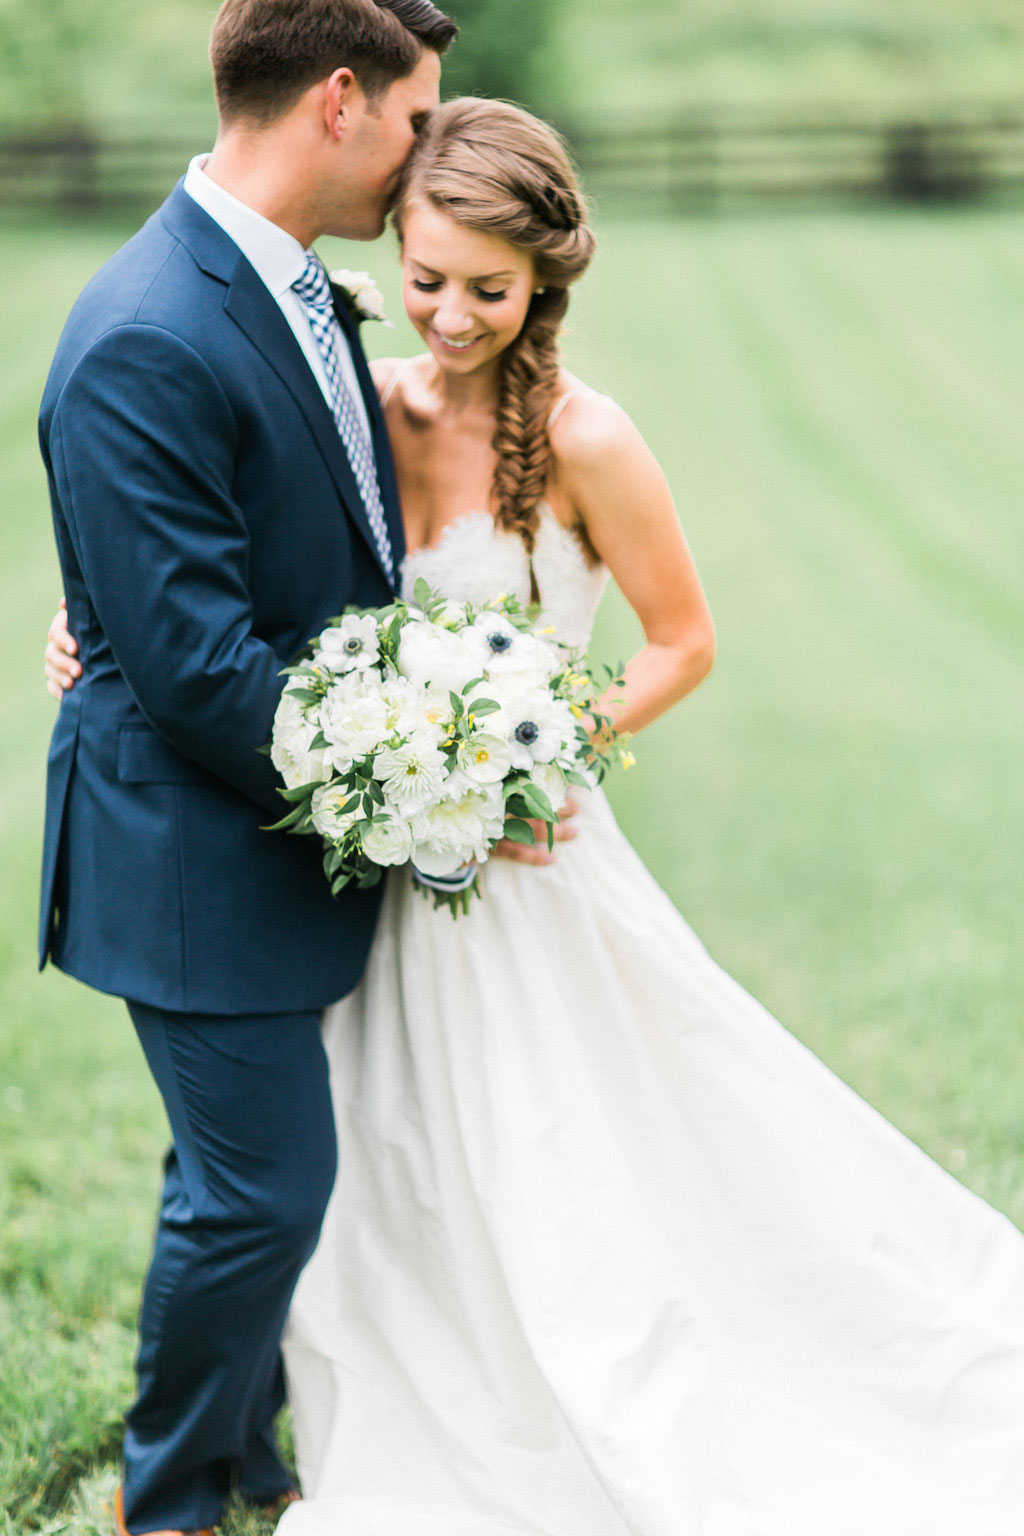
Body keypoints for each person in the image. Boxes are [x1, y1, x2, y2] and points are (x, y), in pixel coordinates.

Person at [48, 96, 1024, 1533]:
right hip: (377, 866)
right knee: (371, 1150)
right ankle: (328, 1402)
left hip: (529, 853)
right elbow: (216, 566)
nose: (446, 318)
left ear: (547, 283)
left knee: (566, 1149)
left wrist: (533, 757)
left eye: (487, 292)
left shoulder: (588, 436)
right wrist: (89, 630)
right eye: (426, 280)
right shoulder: (363, 412)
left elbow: (683, 641)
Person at [35, 3, 470, 1532]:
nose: (431, 157)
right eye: (420, 121)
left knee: (235, 1177)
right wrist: (426, 775)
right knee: (262, 1191)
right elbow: (205, 669)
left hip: (268, 833)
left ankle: (254, 1455)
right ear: (340, 102)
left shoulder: (288, 283)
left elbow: (292, 545)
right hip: (196, 850)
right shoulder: (149, 327)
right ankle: (168, 1500)